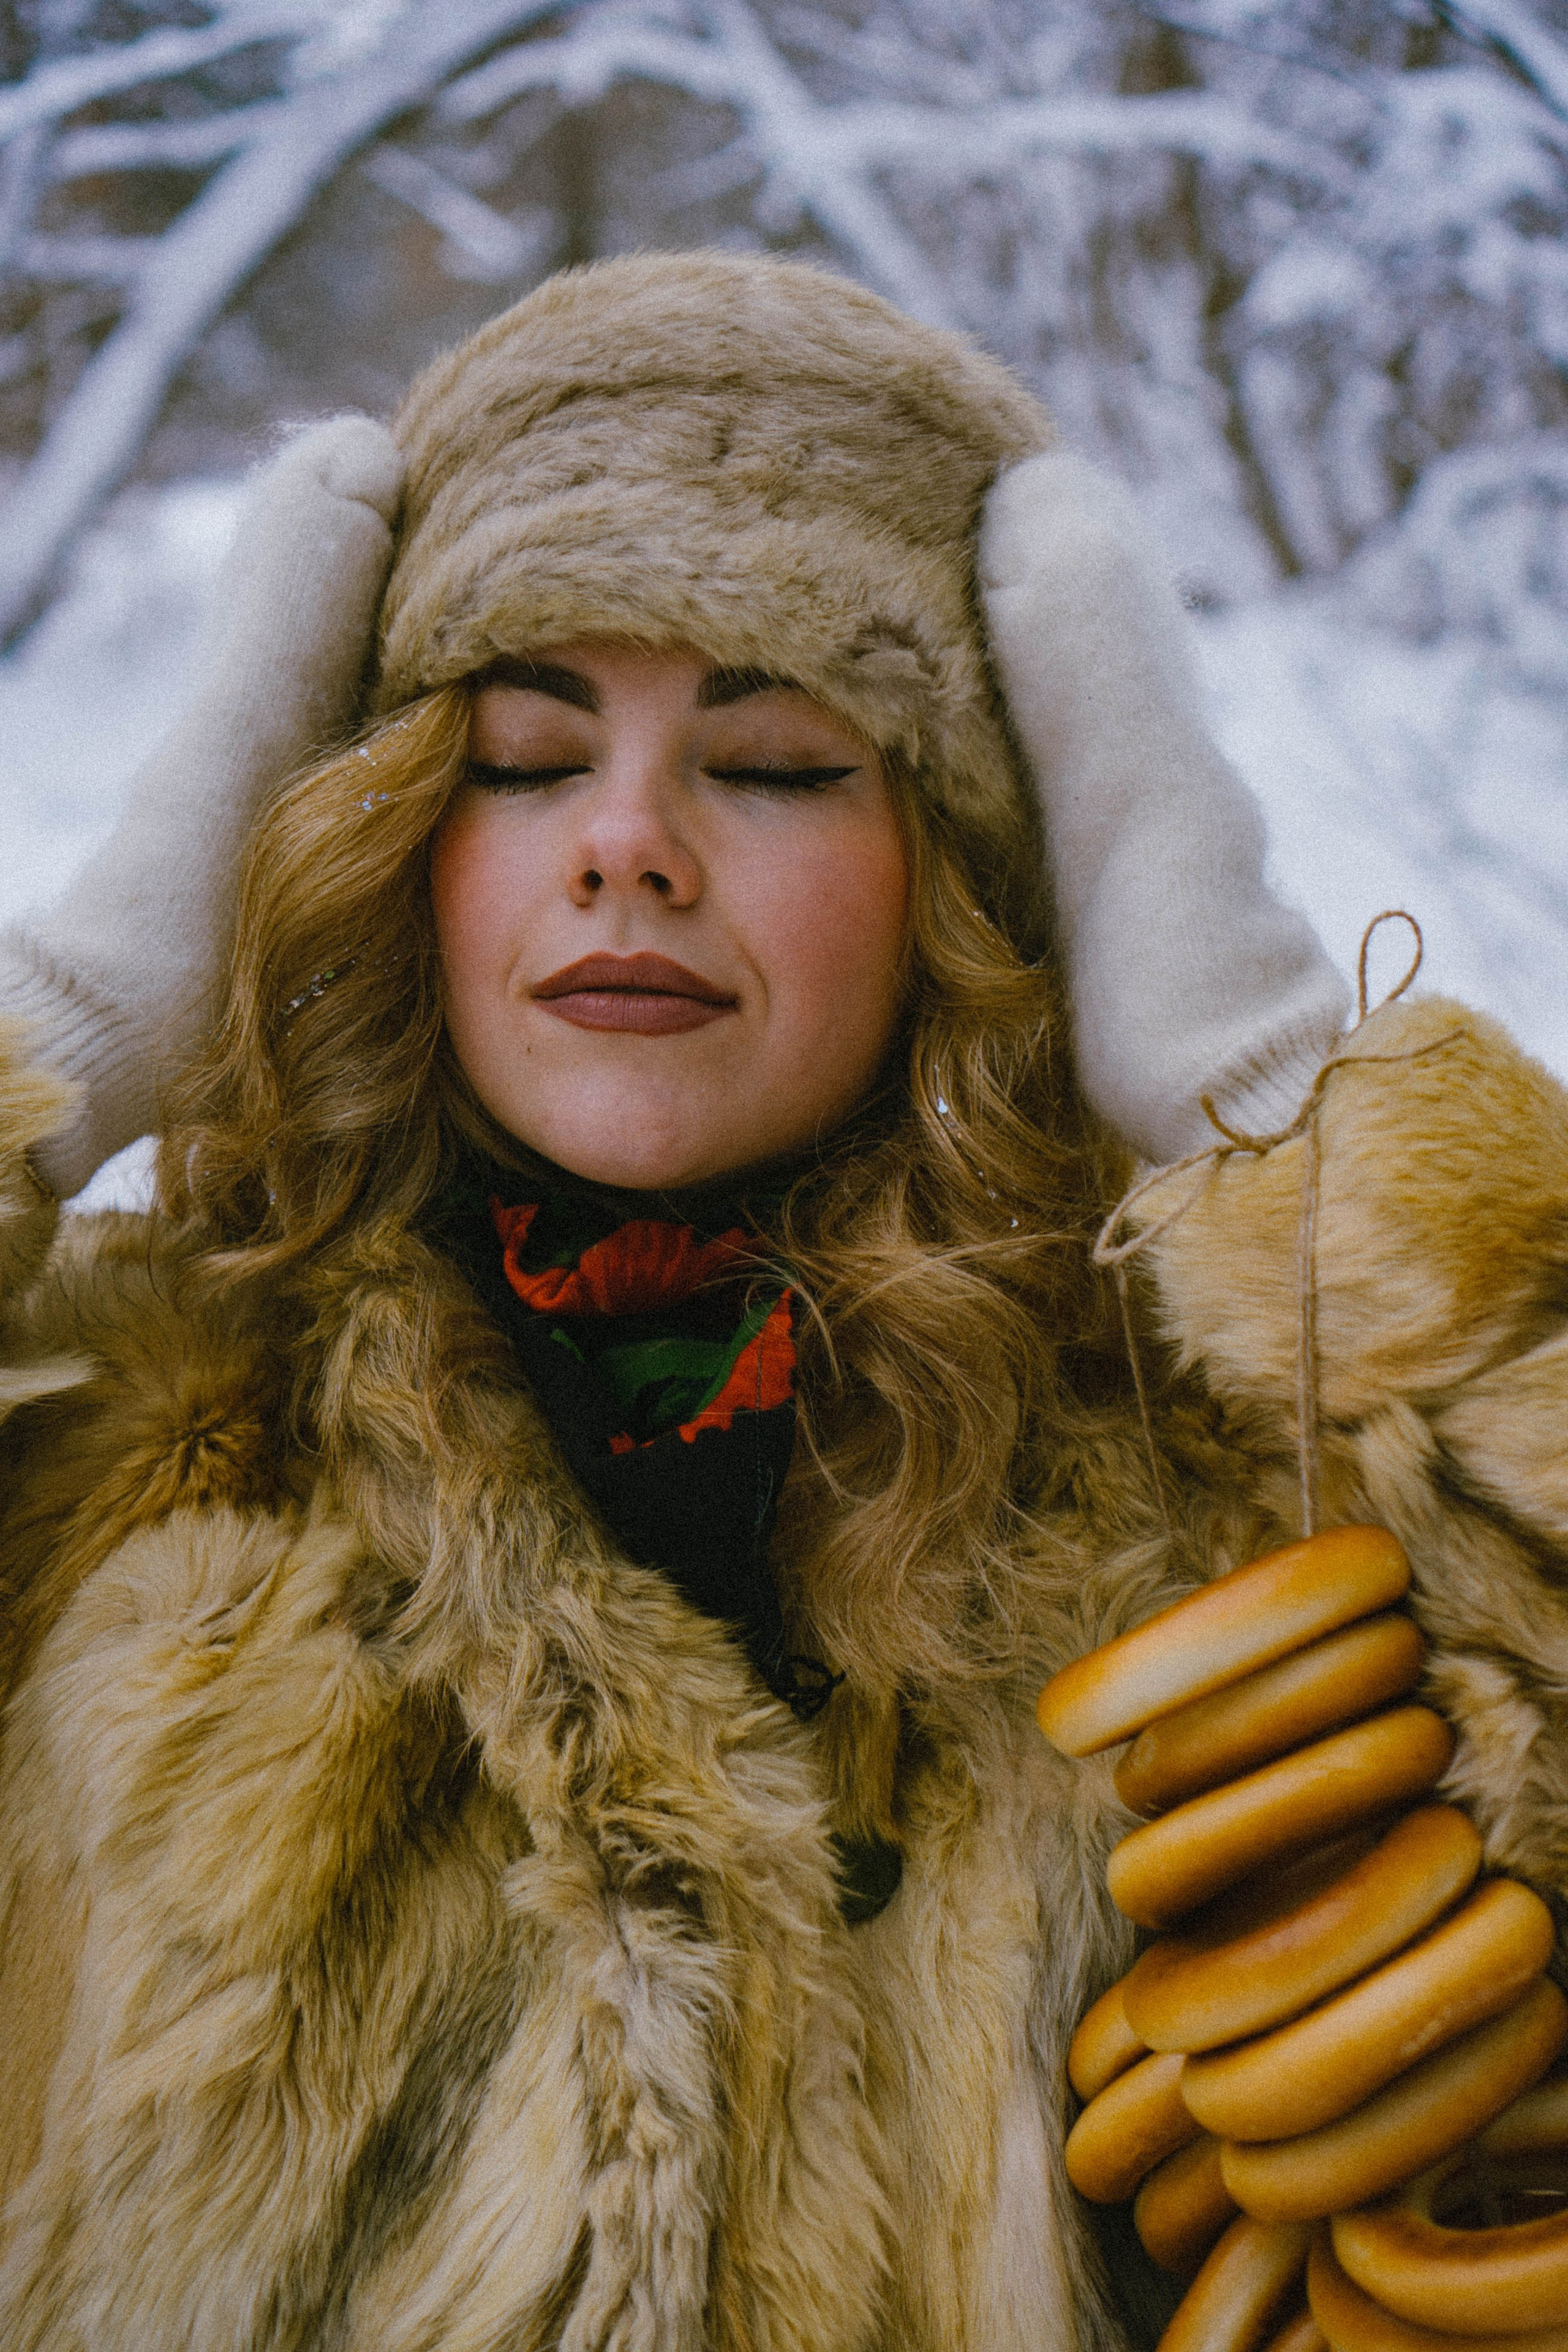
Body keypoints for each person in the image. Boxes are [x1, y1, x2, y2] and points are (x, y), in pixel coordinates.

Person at [0, 251, 1562, 2352]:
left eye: (782, 765)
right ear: (388, 844)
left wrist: (1279, 1110)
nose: (627, 846)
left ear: (969, 878)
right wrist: (71, 1032)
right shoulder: (122, 1483)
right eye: (527, 755)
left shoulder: (1254, 1545)